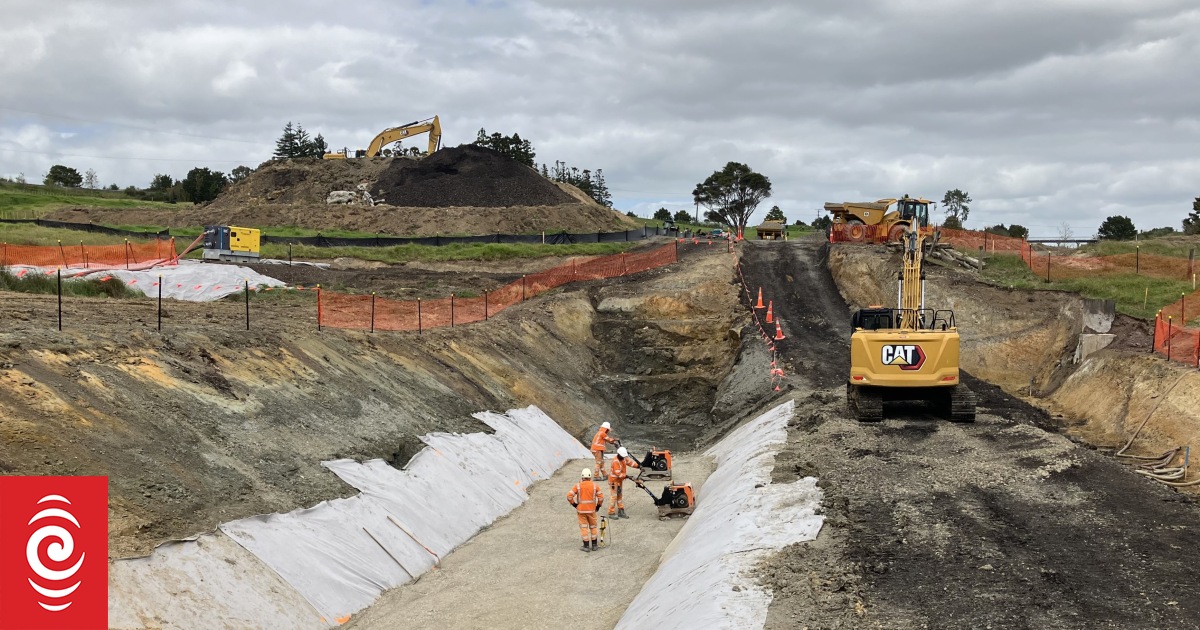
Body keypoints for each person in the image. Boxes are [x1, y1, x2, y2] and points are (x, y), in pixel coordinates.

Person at [567, 468, 604, 552]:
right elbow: (601, 498)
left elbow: (569, 496)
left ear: (582, 477)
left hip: (581, 511)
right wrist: (598, 506)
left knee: (584, 528)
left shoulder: (578, 486)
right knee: (593, 527)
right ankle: (594, 545)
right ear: (590, 477)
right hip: (592, 510)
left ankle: (586, 546)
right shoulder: (595, 486)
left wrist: (574, 504)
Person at [607, 446, 640, 519]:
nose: (624, 458)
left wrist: (638, 466)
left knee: (619, 495)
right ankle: (611, 512)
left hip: (619, 481)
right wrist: (627, 476)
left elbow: (630, 462)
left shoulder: (623, 458)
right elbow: (618, 473)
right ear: (618, 454)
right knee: (614, 497)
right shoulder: (615, 461)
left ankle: (620, 510)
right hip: (614, 481)